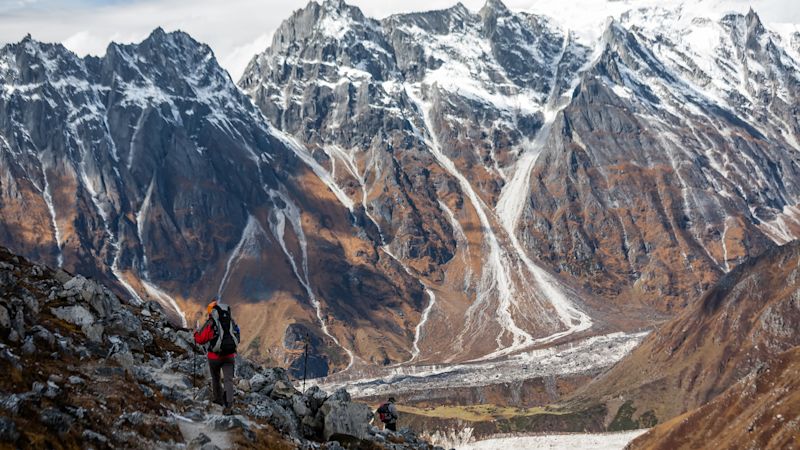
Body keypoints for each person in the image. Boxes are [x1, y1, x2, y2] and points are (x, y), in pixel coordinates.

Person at [194, 299, 240, 415]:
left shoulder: (210, 323)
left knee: (216, 379)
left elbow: (200, 339)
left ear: (212, 312)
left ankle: (218, 401)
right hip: (229, 356)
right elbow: (237, 337)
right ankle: (229, 405)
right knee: (229, 380)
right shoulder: (231, 322)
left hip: (214, 357)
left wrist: (195, 334)